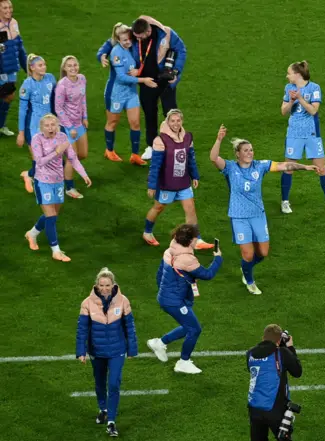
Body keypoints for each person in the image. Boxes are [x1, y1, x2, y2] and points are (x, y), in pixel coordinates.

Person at [209, 124, 319, 295]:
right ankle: (249, 280)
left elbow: (284, 165)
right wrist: (219, 139)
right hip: (239, 217)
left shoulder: (260, 166)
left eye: (251, 150)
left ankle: (245, 268)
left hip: (257, 215)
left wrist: (304, 167)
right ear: (237, 154)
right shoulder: (230, 168)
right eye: (246, 150)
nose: (250, 153)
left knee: (263, 253)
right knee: (247, 254)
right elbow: (214, 158)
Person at [97, 16, 186, 160]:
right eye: (136, 37)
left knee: (170, 112)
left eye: (141, 37)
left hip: (165, 80)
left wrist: (176, 70)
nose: (137, 40)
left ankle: (176, 143)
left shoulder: (166, 33)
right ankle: (152, 145)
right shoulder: (134, 33)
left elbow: (181, 50)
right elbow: (113, 40)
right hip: (146, 81)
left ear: (148, 31)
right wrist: (102, 54)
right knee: (150, 113)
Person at [147, 224, 222, 374]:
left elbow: (159, 275)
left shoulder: (169, 251)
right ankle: (183, 362)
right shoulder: (187, 259)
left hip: (169, 297)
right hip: (174, 301)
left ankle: (159, 343)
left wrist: (164, 291)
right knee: (194, 329)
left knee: (188, 325)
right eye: (196, 238)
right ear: (191, 240)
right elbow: (207, 275)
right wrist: (218, 259)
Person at [76, 267, 138, 438]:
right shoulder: (87, 303)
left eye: (107, 285)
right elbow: (82, 329)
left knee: (114, 384)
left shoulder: (123, 301)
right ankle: (102, 409)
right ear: (96, 285)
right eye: (101, 285)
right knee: (99, 382)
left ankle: (111, 421)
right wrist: (81, 351)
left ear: (113, 285)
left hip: (117, 351)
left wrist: (132, 349)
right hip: (97, 351)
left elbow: (129, 326)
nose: (104, 288)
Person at [24, 114, 91, 262]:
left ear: (58, 126)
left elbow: (72, 157)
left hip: (58, 182)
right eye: (47, 126)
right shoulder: (37, 139)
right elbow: (39, 162)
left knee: (53, 216)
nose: (50, 128)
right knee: (51, 216)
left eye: (53, 125)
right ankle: (56, 250)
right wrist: (57, 152)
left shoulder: (62, 137)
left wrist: (83, 174)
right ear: (41, 128)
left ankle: (32, 233)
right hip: (43, 182)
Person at [143, 109, 213, 249]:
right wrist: (151, 186)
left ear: (182, 121)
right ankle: (147, 232)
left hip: (183, 182)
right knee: (159, 207)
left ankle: (196, 239)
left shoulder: (187, 137)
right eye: (172, 121)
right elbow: (155, 166)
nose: (176, 123)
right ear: (167, 122)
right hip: (166, 184)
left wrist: (195, 175)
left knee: (190, 209)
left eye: (178, 120)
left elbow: (191, 159)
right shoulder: (160, 140)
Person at [280, 60, 325, 216]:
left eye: (289, 73)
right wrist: (291, 100)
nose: (287, 76)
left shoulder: (314, 88)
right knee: (289, 168)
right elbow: (283, 111)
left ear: (297, 74)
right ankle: (285, 202)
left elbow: (313, 111)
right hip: (293, 134)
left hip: (312, 134)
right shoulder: (288, 88)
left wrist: (299, 98)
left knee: (321, 169)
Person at [98, 22, 156, 165]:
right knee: (112, 122)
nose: (128, 42)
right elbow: (121, 77)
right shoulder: (116, 53)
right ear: (118, 40)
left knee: (135, 123)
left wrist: (139, 71)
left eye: (129, 38)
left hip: (131, 92)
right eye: (124, 40)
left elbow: (142, 61)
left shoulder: (135, 46)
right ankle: (109, 150)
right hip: (116, 93)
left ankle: (135, 155)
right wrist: (142, 80)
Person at [247, 324, 302, 441]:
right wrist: (290, 347)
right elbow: (297, 372)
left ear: (263, 338)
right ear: (279, 340)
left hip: (254, 408)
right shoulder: (282, 353)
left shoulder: (250, 353)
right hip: (275, 408)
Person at [17, 53, 56, 193]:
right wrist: (21, 133)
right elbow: (22, 110)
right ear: (32, 68)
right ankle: (43, 191)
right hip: (33, 125)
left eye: (44, 64)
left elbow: (56, 100)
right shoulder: (27, 84)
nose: (44, 67)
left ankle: (28, 175)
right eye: (40, 65)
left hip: (50, 124)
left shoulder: (50, 78)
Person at [55, 55, 89, 199]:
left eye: (75, 65)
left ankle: (61, 168)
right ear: (64, 68)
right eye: (69, 66)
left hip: (79, 123)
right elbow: (58, 108)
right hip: (66, 126)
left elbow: (83, 98)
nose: (73, 68)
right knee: (72, 157)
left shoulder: (82, 79)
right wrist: (70, 127)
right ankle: (69, 187)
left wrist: (85, 117)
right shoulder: (62, 85)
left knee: (83, 154)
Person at [0, 0, 27, 136]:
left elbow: (19, 46)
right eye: (5, 7)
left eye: (10, 7)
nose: (8, 10)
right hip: (1, 69)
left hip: (11, 67)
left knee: (8, 96)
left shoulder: (14, 23)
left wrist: (26, 66)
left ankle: (1, 125)